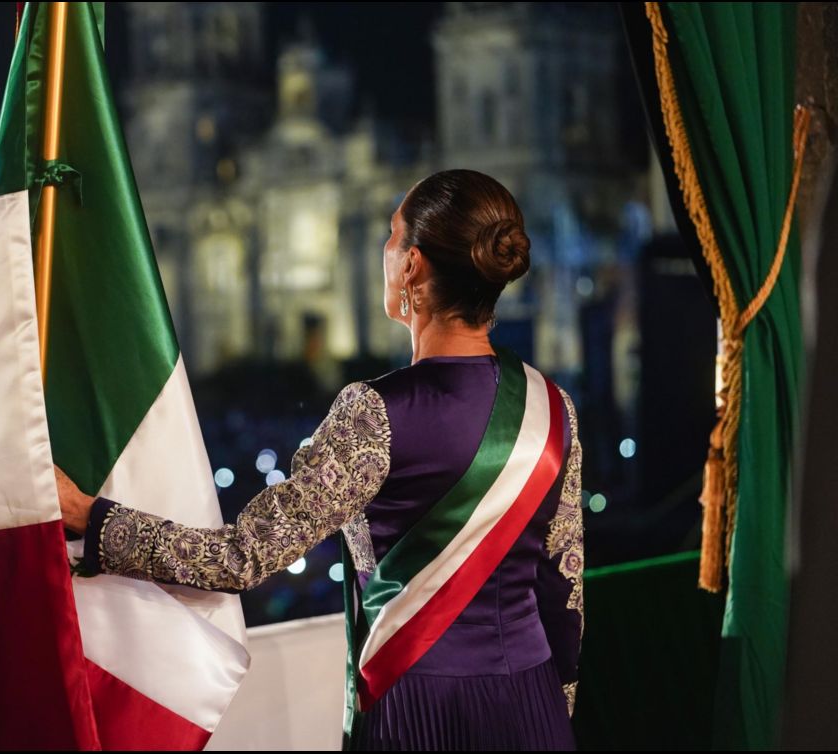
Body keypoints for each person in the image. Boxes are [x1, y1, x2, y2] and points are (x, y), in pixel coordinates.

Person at [55, 169, 583, 751]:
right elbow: (564, 593)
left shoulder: (373, 413)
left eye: (391, 234)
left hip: (422, 708)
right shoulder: (553, 407)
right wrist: (551, 713)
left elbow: (241, 557)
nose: (384, 249)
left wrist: (92, 517)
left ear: (412, 265)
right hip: (533, 705)